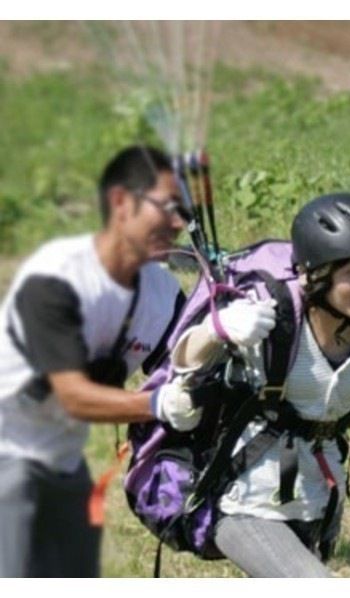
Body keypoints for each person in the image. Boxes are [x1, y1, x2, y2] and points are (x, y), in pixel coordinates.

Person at [167, 192, 350, 577]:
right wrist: (216, 330)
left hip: (315, 498)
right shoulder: (273, 321)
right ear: (316, 274)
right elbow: (184, 361)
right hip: (245, 502)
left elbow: (343, 374)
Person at [0, 145, 203, 577]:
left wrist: (229, 331)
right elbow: (71, 396)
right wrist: (156, 405)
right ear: (120, 202)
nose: (178, 223)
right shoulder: (57, 278)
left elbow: (185, 365)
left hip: (60, 460)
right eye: (168, 207)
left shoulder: (162, 293)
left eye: (184, 211)